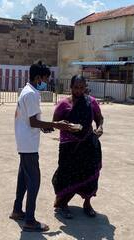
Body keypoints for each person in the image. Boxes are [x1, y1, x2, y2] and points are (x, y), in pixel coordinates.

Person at [10, 63, 74, 232]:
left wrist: (44, 126)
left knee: (23, 178)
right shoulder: (31, 94)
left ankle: (17, 210)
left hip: (25, 141)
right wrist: (56, 124)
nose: (46, 82)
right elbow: (33, 121)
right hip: (28, 144)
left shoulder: (27, 91)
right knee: (34, 181)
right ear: (38, 78)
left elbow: (30, 120)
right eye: (46, 79)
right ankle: (30, 220)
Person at [52, 75, 104, 219]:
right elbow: (54, 121)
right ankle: (62, 203)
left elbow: (99, 118)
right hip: (69, 145)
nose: (79, 91)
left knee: (90, 173)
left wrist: (99, 127)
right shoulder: (63, 104)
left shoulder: (91, 102)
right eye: (76, 88)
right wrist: (66, 126)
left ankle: (87, 203)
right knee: (66, 174)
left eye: (82, 88)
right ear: (71, 87)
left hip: (88, 143)